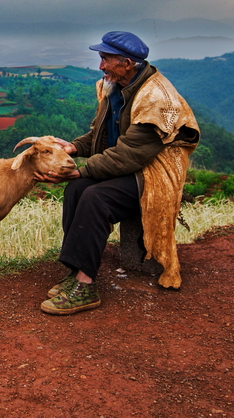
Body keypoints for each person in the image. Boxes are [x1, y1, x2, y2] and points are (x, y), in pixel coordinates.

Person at [35, 31, 200, 315]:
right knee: (76, 189)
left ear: (127, 63)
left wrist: (81, 171)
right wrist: (74, 148)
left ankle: (86, 287)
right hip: (126, 166)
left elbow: (130, 155)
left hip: (153, 175)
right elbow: (100, 136)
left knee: (96, 197)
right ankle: (76, 271)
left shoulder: (157, 100)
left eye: (106, 59)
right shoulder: (114, 87)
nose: (100, 66)